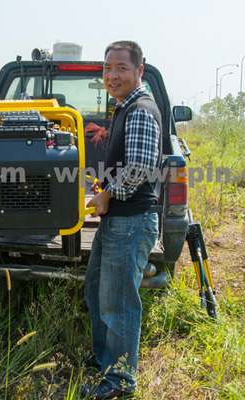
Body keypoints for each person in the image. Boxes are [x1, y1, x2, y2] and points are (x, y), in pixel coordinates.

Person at [81, 41, 162, 399]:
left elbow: (141, 167)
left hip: (131, 221)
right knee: (98, 293)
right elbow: (128, 162)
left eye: (122, 68)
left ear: (139, 71)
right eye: (108, 68)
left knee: (119, 303)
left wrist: (107, 194)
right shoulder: (124, 108)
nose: (112, 75)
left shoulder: (140, 109)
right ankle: (105, 360)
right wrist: (107, 185)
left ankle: (119, 381)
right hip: (118, 219)